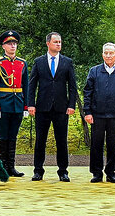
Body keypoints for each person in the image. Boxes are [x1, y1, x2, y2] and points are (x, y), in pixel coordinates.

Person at [26, 32, 79, 182]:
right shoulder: (39, 61)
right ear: (48, 43)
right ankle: (38, 171)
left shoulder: (67, 62)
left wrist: (71, 105)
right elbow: (32, 84)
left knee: (62, 140)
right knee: (40, 141)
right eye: (55, 42)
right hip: (42, 107)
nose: (58, 44)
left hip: (62, 108)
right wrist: (31, 104)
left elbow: (72, 86)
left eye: (60, 42)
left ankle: (63, 171)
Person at [82, 42, 115, 183]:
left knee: (112, 145)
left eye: (111, 53)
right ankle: (96, 173)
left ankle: (111, 172)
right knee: (96, 145)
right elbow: (88, 92)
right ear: (102, 54)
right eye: (106, 53)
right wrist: (88, 112)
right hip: (97, 115)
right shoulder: (94, 71)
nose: (108, 55)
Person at [0, 30, 28, 178]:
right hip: (3, 105)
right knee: (3, 136)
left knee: (13, 136)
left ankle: (11, 167)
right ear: (3, 46)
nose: (13, 46)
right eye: (9, 43)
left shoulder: (22, 63)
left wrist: (25, 106)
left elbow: (26, 86)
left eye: (15, 43)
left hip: (17, 104)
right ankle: (3, 166)